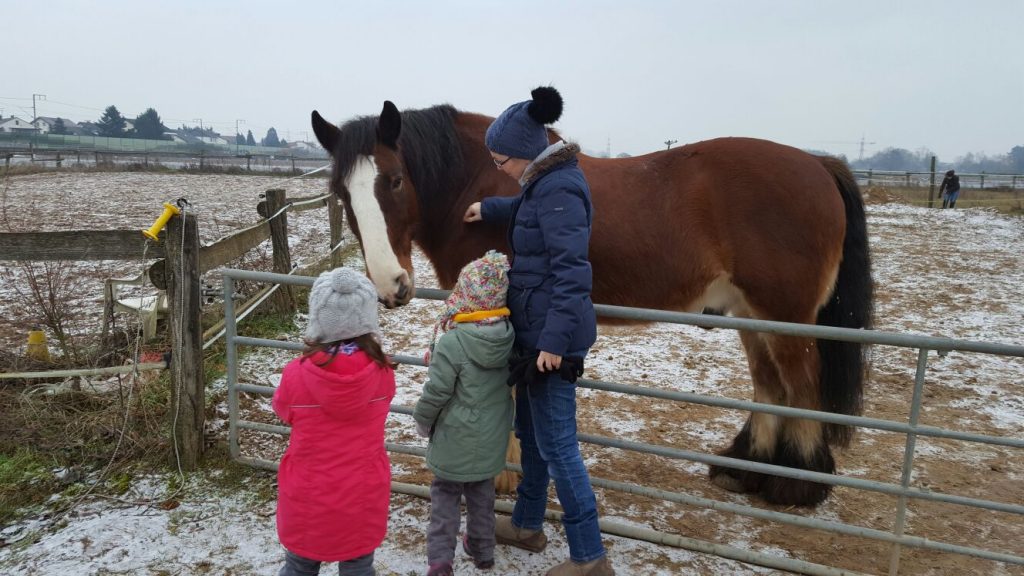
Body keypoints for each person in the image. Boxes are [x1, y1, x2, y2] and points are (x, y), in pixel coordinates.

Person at [463, 86, 614, 576]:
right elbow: (528, 212)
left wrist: (552, 342)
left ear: (525, 152)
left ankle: (589, 556)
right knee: (529, 434)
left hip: (551, 342)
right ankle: (527, 524)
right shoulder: (542, 185)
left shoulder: (561, 188)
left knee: (558, 444)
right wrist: (490, 208)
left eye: (500, 160)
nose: (499, 168)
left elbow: (573, 273)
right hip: (532, 334)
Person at [272, 268, 395, 576]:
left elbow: (283, 410)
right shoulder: (383, 374)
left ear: (319, 317)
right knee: (358, 565)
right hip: (363, 492)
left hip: (308, 493)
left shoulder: (296, 374)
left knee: (300, 565)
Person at [413, 250, 516, 576]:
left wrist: (423, 419)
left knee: (444, 499)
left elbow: (437, 391)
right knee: (482, 497)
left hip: (454, 437)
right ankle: (483, 551)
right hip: (489, 440)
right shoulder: (508, 337)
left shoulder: (453, 342)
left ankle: (441, 561)